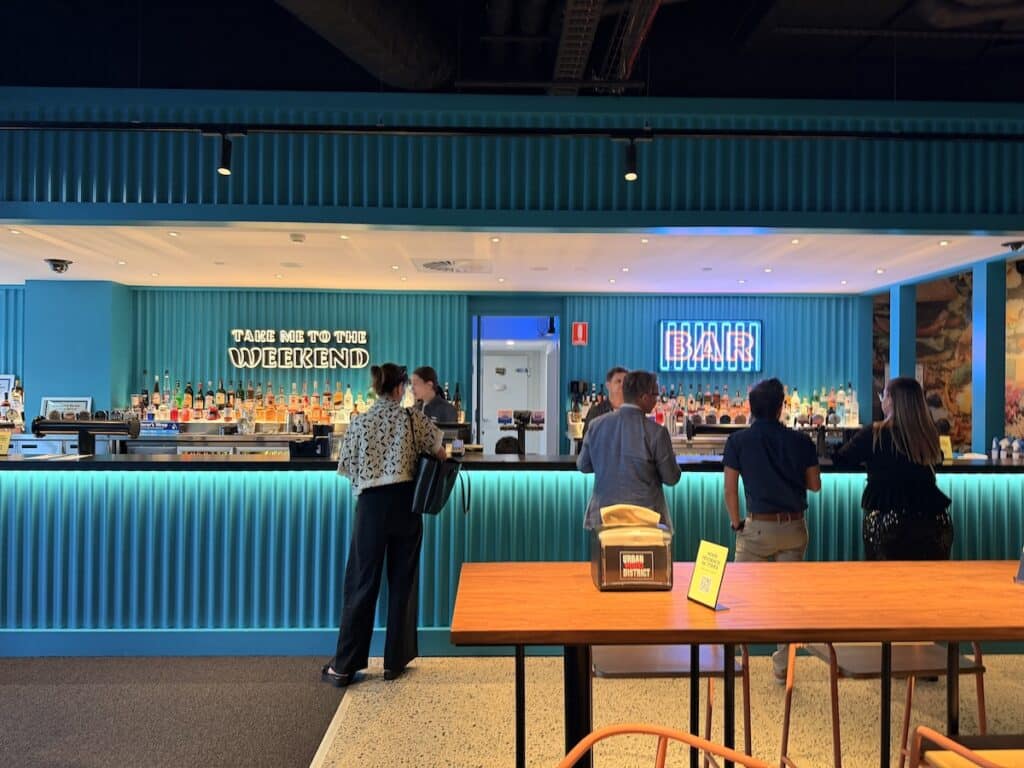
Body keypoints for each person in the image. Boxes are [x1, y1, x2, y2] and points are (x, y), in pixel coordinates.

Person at [322, 363, 446, 687]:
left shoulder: (359, 422)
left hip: (371, 508)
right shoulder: (412, 418)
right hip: (406, 506)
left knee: (362, 583)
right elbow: (440, 452)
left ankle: (344, 667)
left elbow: (346, 467)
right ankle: (395, 662)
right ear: (399, 388)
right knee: (402, 583)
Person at [722, 377, 821, 682]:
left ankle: (735, 660)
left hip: (756, 529)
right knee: (786, 603)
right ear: (781, 407)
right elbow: (815, 485)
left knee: (737, 597)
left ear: (750, 407)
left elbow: (729, 489)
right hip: (793, 528)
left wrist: (736, 523)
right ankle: (782, 667)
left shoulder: (738, 441)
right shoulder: (801, 442)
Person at [833, 376, 952, 560]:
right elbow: (937, 460)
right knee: (929, 575)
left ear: (890, 400)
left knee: (887, 574)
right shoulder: (928, 436)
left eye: (884, 395)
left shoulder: (875, 434)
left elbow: (842, 458)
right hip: (933, 520)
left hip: (887, 522)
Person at [577, 370, 682, 530]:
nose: (657, 399)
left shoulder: (596, 425)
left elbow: (583, 466)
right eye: (655, 394)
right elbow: (671, 478)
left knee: (604, 548)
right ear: (644, 397)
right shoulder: (657, 433)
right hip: (646, 521)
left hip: (603, 519)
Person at [582, 366, 628, 438]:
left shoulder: (633, 413)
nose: (622, 385)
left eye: (626, 382)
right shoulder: (596, 412)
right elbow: (587, 440)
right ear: (608, 385)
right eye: (618, 381)